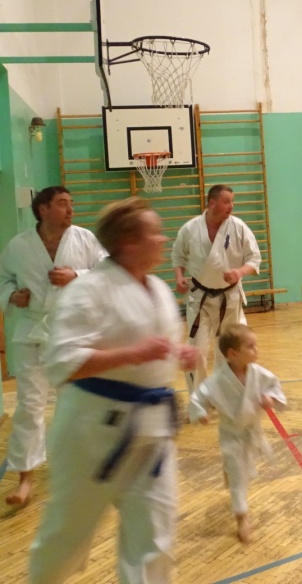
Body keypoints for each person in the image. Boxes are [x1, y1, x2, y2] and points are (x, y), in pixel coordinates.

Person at [27, 196, 198, 584]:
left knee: (155, 539)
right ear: (129, 242)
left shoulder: (157, 288)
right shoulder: (89, 290)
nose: (163, 238)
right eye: (155, 233)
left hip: (152, 431)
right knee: (67, 536)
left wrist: (179, 354)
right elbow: (61, 361)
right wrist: (133, 354)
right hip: (91, 432)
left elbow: (154, 348)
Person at [0, 185, 105, 507]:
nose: (71, 209)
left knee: (76, 402)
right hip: (31, 330)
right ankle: (25, 477)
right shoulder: (19, 246)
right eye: (62, 204)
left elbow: (108, 271)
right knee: (29, 405)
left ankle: (80, 466)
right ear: (43, 209)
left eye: (71, 203)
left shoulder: (85, 239)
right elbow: (3, 278)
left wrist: (77, 275)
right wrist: (11, 295)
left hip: (72, 330)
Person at [189, 326, 286, 543]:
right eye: (250, 346)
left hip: (251, 431)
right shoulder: (218, 380)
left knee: (239, 470)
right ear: (232, 354)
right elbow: (199, 398)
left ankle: (228, 469)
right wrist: (201, 412)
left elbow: (274, 386)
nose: (256, 350)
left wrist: (270, 398)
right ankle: (241, 516)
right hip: (231, 433)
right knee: (238, 475)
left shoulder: (258, 373)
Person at [172, 184, 261, 394]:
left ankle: (226, 395)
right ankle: (200, 398)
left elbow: (254, 258)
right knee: (196, 351)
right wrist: (179, 278)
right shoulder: (190, 228)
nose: (231, 206)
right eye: (226, 201)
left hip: (230, 298)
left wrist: (239, 272)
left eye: (232, 201)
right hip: (200, 299)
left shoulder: (238, 227)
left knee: (231, 350)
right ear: (212, 203)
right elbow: (178, 256)